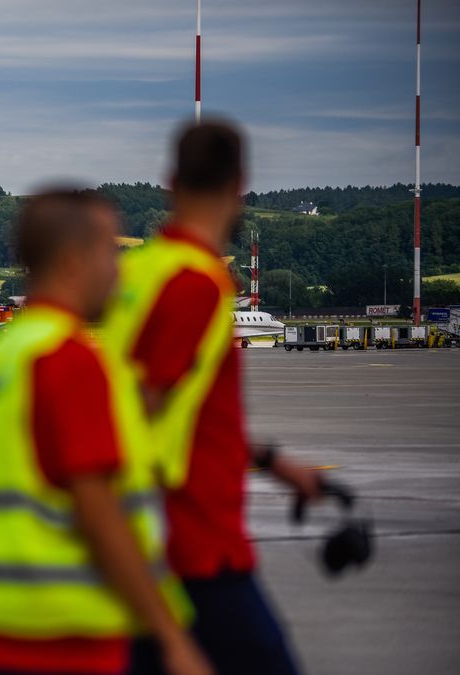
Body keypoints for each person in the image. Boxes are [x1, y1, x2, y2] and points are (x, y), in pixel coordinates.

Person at [0, 189, 210, 675]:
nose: (118, 272)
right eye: (109, 254)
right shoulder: (69, 360)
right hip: (67, 638)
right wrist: (171, 638)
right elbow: (100, 515)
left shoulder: (2, 360)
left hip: (0, 632)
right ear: (74, 261)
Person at [99, 121, 321, 675]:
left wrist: (273, 461)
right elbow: (140, 406)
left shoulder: (137, 271)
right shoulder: (196, 283)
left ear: (171, 183)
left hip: (149, 532)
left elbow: (182, 411)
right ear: (240, 184)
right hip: (191, 537)